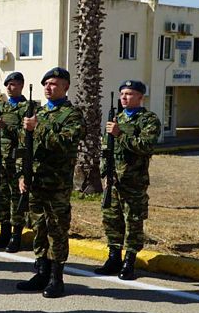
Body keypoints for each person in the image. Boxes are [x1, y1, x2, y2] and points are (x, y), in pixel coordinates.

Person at [15, 67, 84, 298]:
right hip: (35, 183)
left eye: (54, 83)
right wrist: (22, 175)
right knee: (39, 228)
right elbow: (25, 149)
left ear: (65, 87)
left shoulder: (72, 115)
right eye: (46, 83)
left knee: (57, 229)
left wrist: (38, 128)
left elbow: (66, 141)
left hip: (57, 184)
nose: (48, 87)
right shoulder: (39, 114)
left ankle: (57, 277)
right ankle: (41, 271)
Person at [94, 80, 161, 280]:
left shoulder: (148, 120)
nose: (124, 97)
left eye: (129, 94)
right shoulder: (116, 118)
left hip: (134, 181)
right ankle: (114, 256)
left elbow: (146, 146)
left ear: (141, 97)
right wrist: (105, 174)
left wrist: (120, 133)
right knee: (111, 219)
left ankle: (129, 260)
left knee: (133, 221)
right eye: (122, 94)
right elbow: (106, 150)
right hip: (114, 181)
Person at [0, 72, 38, 252]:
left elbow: (27, 136)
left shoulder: (28, 108)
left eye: (14, 84)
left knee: (16, 198)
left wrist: (6, 127)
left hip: (17, 160)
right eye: (8, 84)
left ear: (22, 85)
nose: (10, 87)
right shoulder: (2, 107)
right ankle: (4, 233)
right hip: (1, 160)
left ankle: (16, 235)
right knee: (1, 197)